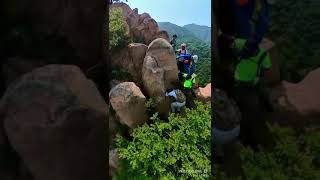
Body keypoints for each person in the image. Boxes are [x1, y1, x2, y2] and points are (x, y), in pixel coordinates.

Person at [232, 37, 273, 146]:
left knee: (247, 110)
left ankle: (245, 136)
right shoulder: (243, 44)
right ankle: (267, 105)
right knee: (245, 107)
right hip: (243, 84)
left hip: (248, 85)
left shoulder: (263, 54)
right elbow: (267, 68)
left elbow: (267, 68)